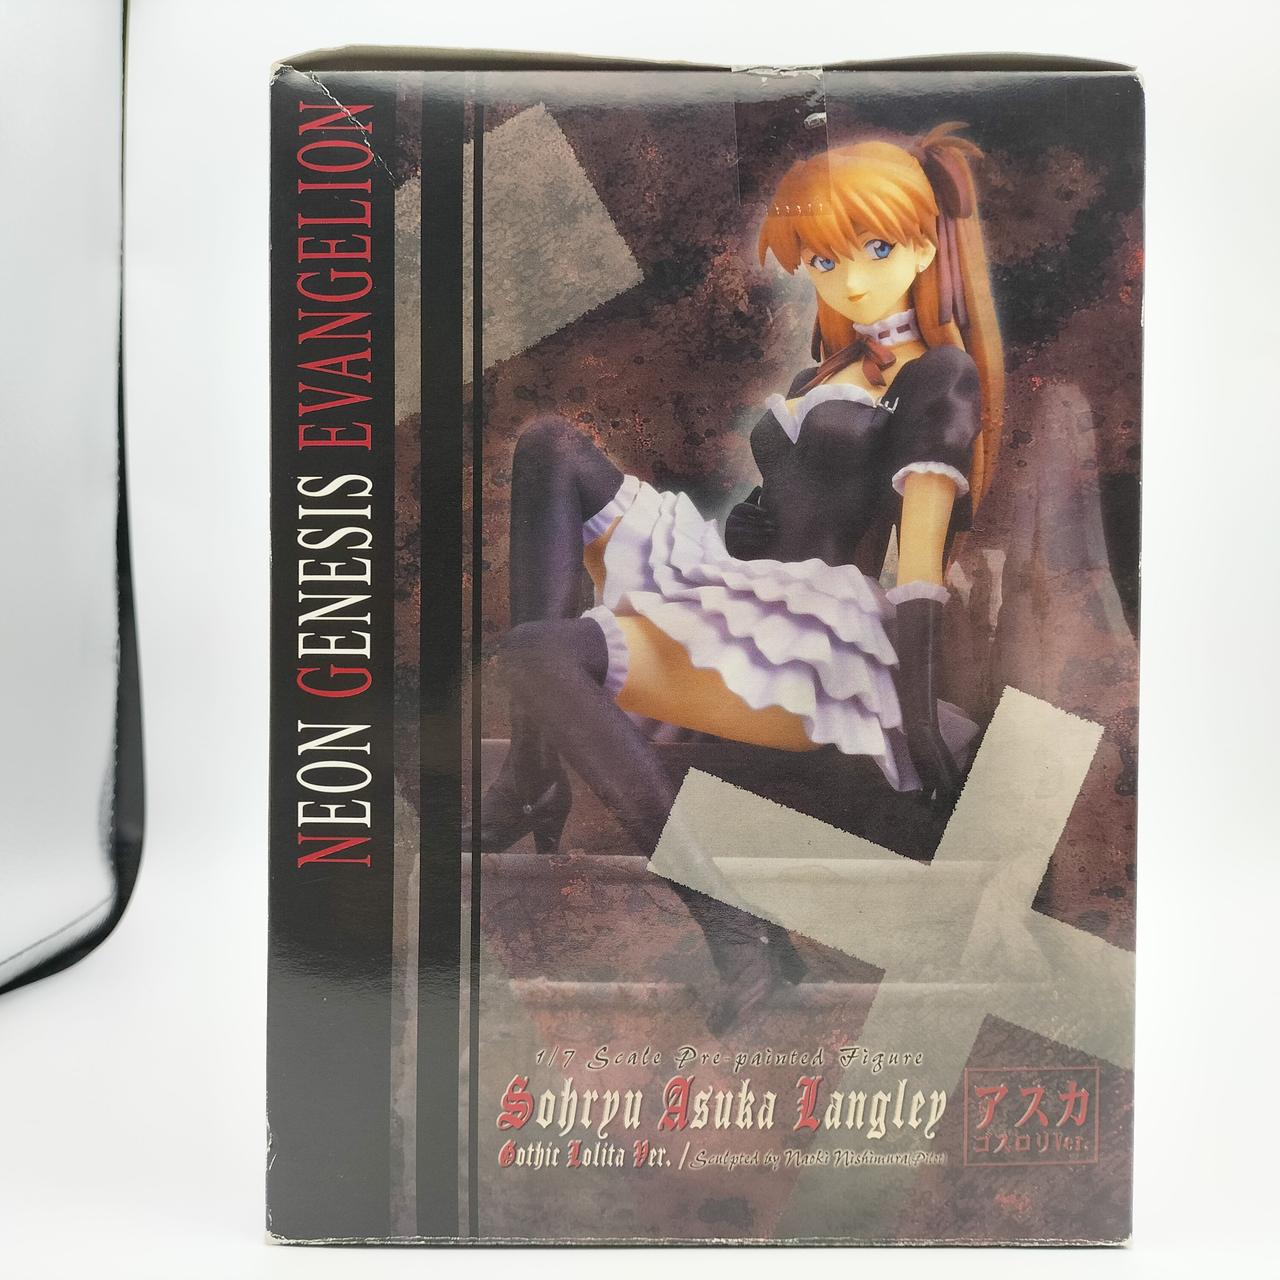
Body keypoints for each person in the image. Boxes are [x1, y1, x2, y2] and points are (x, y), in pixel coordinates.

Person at [469, 123, 1005, 1032]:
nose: (852, 279)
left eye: (877, 249)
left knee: (537, 652)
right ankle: (531, 770)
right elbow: (792, 507)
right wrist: (752, 530)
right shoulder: (825, 371)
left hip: (818, 637)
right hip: (747, 589)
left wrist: (917, 724)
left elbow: (917, 567)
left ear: (924, 247)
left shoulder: (940, 379)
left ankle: (732, 923)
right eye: (826, 259)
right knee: (550, 449)